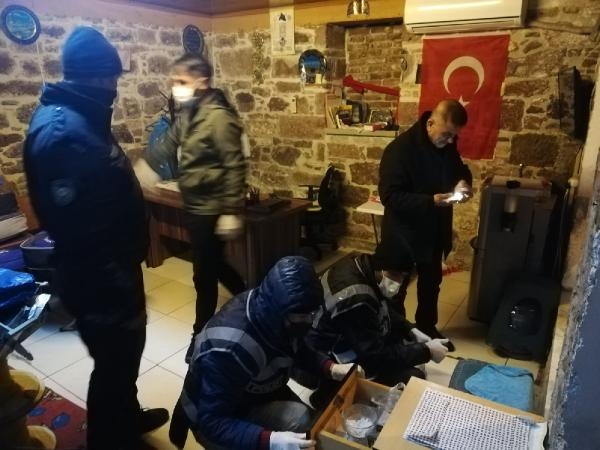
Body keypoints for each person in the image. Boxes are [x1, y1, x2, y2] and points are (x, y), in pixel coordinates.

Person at [23, 27, 168, 450]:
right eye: (113, 79)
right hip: (101, 280)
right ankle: (108, 439)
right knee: (112, 366)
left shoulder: (81, 117)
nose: (115, 88)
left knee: (123, 359)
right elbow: (79, 231)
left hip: (114, 269)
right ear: (100, 76)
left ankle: (128, 417)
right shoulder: (63, 133)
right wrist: (118, 284)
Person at [168, 256, 361, 450]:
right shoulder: (230, 349)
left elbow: (298, 350)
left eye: (312, 314)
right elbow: (212, 422)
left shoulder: (277, 314)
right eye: (304, 315)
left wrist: (331, 368)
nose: (310, 320)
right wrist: (269, 440)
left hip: (252, 395)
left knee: (308, 425)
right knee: (298, 424)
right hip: (218, 418)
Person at [157, 53, 247, 363]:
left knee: (203, 274)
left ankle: (199, 336)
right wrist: (148, 166)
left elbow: (234, 165)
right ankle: (249, 297)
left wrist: (231, 210)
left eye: (181, 81)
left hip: (212, 207)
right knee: (214, 264)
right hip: (194, 206)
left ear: (202, 81)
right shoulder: (189, 113)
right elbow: (169, 141)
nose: (176, 87)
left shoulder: (219, 118)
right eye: (174, 80)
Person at [378, 99, 473, 352]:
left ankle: (427, 328)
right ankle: (396, 337)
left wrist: (463, 183)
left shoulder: (446, 146)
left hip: (434, 231)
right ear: (430, 123)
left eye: (454, 136)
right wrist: (430, 201)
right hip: (403, 233)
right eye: (447, 134)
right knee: (395, 290)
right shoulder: (399, 151)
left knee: (431, 284)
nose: (451, 141)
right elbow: (390, 196)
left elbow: (459, 170)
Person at [306, 237, 449, 394]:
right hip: (329, 357)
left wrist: (409, 329)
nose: (398, 281)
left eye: (403, 276)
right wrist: (426, 351)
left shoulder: (361, 266)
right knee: (413, 378)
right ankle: (328, 392)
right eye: (394, 274)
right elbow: (375, 357)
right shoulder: (355, 299)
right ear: (379, 267)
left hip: (347, 336)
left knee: (402, 344)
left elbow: (381, 306)